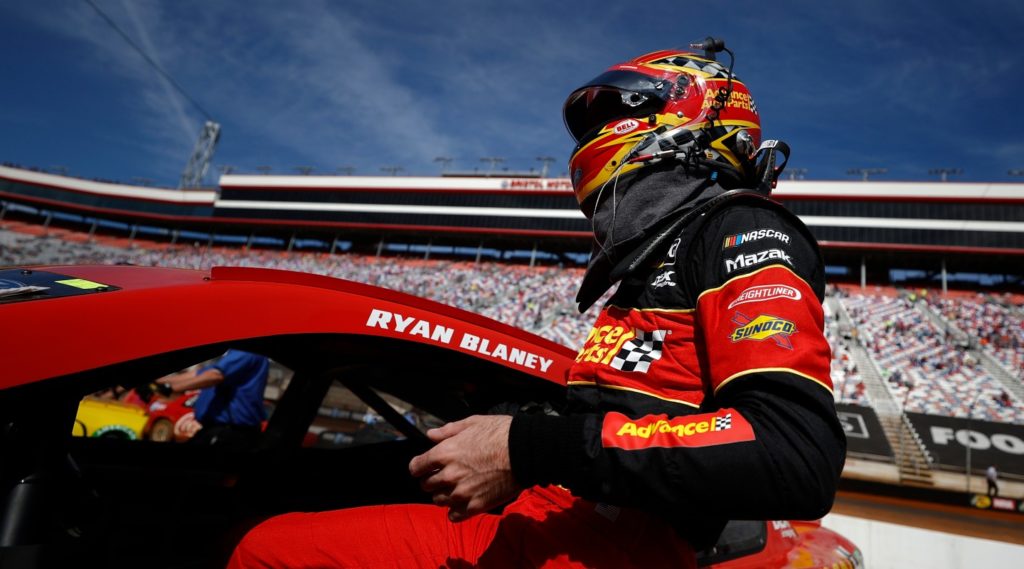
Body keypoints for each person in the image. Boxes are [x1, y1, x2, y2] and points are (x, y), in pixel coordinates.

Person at [229, 38, 845, 569]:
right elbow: (626, 413)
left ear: (686, 116)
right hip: (555, 521)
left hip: (606, 545)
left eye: (615, 113)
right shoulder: (657, 262)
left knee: (270, 550)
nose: (596, 134)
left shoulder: (743, 230)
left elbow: (792, 453)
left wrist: (523, 447)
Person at [160, 349, 269, 448]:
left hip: (231, 432)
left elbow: (215, 376)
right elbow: (198, 374)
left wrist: (172, 388)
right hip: (216, 429)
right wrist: (159, 382)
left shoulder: (245, 351)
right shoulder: (230, 355)